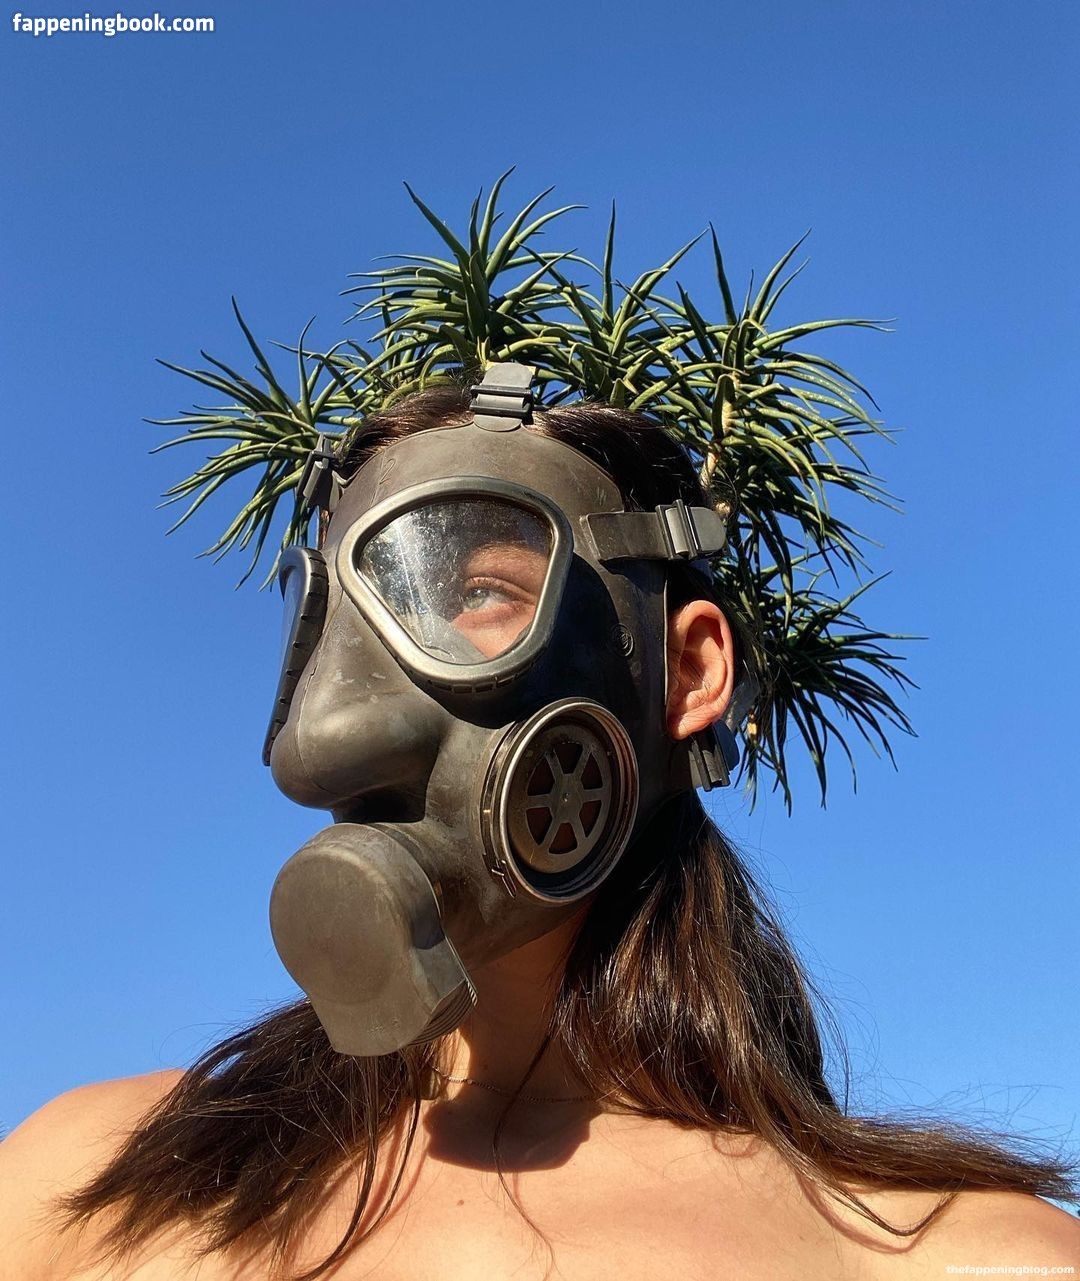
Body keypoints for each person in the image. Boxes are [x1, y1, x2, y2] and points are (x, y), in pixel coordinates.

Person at [2, 377, 1078, 1281]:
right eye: (330, 621)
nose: (325, 736)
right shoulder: (88, 1181)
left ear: (688, 669)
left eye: (476, 589)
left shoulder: (965, 1259)